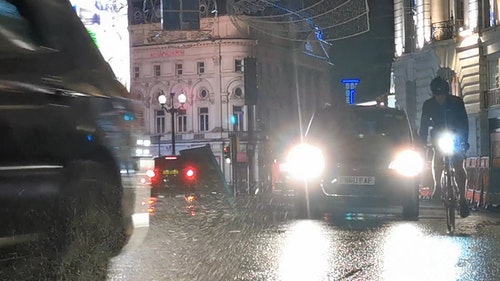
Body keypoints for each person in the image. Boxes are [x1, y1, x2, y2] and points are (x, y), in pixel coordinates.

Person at [419, 76, 470, 218]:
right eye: (437, 95)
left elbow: (464, 123)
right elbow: (424, 125)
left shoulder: (457, 103)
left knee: (459, 165)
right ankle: (437, 187)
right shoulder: (428, 105)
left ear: (447, 93)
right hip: (438, 137)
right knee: (438, 158)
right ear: (433, 93)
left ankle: (462, 199)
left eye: (442, 95)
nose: (440, 98)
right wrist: (422, 141)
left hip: (456, 136)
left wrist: (464, 141)